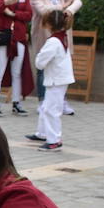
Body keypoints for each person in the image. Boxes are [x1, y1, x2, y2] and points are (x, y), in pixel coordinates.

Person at [30, 0, 82, 113]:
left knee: (62, 67)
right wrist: (64, 5)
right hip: (44, 36)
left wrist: (69, 11)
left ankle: (62, 101)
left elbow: (78, 2)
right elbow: (44, 11)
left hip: (62, 35)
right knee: (43, 69)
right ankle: (42, 102)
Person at [29, 10, 73, 152]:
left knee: (51, 110)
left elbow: (40, 62)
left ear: (48, 24)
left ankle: (54, 141)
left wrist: (39, 59)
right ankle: (42, 134)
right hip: (59, 78)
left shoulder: (53, 41)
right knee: (46, 107)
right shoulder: (62, 37)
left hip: (56, 79)